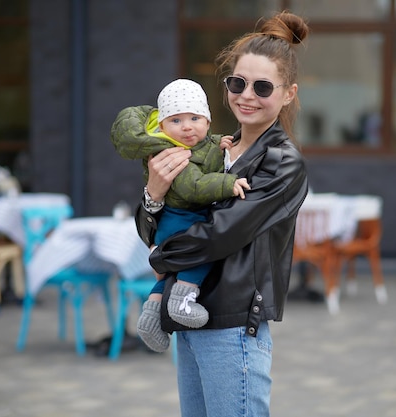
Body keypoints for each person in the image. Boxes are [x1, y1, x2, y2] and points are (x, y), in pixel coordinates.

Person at [129, 11, 310, 416]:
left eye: (262, 86)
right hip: (189, 321)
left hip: (233, 328)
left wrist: (159, 257)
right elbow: (149, 225)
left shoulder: (281, 162)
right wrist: (153, 194)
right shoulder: (209, 151)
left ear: (288, 93)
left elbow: (219, 235)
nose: (247, 94)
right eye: (237, 82)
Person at [110, 78, 250, 352]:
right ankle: (182, 302)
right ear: (162, 128)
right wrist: (226, 184)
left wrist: (217, 143)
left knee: (169, 275)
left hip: (174, 221)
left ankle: (152, 312)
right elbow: (193, 186)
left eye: (195, 118)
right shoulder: (173, 153)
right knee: (200, 255)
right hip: (182, 221)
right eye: (176, 121)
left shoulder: (201, 144)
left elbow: (206, 150)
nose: (187, 126)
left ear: (208, 122)